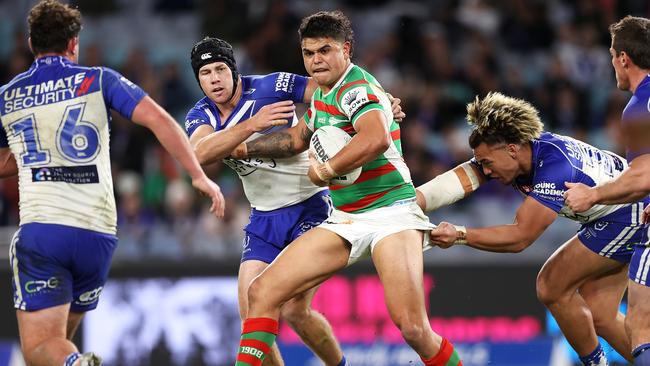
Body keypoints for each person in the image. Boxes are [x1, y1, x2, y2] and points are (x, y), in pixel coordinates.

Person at [228, 10, 462, 366]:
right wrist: (244, 147)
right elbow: (295, 139)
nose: (316, 60)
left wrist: (328, 170)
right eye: (308, 53)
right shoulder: (323, 94)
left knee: (413, 327)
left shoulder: (355, 88)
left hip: (392, 216)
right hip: (346, 218)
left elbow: (377, 137)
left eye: (324, 50)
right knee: (261, 291)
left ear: (346, 50)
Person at [1, 1, 226, 366]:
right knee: (58, 346)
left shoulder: (7, 95)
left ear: (30, 42)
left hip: (44, 232)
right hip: (98, 236)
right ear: (74, 43)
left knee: (40, 348)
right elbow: (161, 120)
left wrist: (29, 156)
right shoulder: (98, 79)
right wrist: (198, 176)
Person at [421, 92, 647, 365]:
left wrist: (460, 234)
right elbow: (465, 176)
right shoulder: (515, 155)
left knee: (551, 285)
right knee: (601, 313)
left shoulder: (553, 168)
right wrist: (417, 201)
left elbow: (520, 237)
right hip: (623, 212)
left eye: (487, 163)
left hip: (629, 214)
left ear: (512, 149)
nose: (486, 171)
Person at [185, 37, 352, 366]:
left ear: (234, 69)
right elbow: (200, 153)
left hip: (311, 206)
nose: (214, 78)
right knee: (252, 316)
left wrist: (376, 102)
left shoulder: (271, 85)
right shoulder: (199, 115)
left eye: (220, 69)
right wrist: (254, 125)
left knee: (294, 310)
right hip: (264, 219)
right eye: (205, 73)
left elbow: (329, 92)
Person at [563, 15, 650, 365]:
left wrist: (592, 194)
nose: (612, 62)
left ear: (624, 58)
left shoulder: (640, 107)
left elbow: (644, 175)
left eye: (612, 55)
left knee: (640, 326)